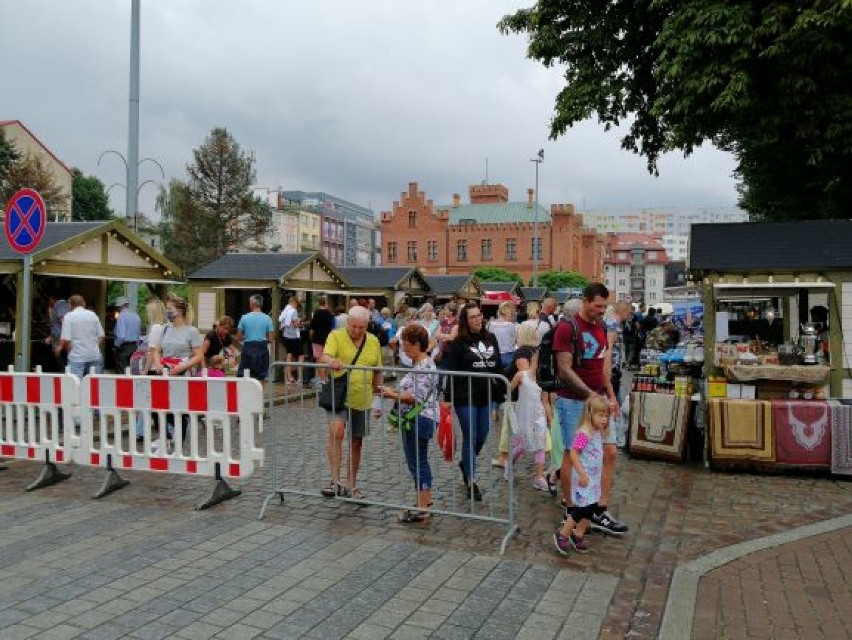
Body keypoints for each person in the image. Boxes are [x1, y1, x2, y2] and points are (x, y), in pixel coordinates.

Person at [552, 282, 627, 536]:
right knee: (573, 453)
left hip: (600, 400)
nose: (601, 310)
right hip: (573, 401)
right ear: (585, 301)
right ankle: (571, 507)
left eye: (604, 306)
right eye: (597, 306)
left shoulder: (602, 326)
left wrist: (610, 395)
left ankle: (599, 508)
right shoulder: (567, 327)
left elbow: (603, 366)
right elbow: (564, 369)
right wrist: (590, 396)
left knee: (610, 452)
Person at [318, 305, 383, 500]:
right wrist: (331, 361)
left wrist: (378, 398)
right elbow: (324, 356)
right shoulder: (336, 335)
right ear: (348, 322)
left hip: (362, 397)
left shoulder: (373, 341)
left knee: (356, 442)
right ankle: (335, 480)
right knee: (337, 431)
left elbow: (377, 370)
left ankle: (351, 484)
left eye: (361, 328)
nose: (356, 331)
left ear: (367, 326)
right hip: (339, 395)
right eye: (353, 326)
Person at [444, 303, 505, 501]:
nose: (478, 319)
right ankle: (471, 479)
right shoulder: (458, 342)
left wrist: (505, 389)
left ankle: (466, 462)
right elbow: (452, 371)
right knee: (470, 435)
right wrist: (447, 399)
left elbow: (498, 367)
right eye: (473, 317)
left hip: (485, 394)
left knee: (483, 435)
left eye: (479, 316)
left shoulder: (491, 338)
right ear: (465, 321)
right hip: (465, 395)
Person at [379, 324, 439, 523]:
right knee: (419, 461)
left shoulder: (424, 366)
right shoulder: (423, 364)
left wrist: (389, 394)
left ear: (416, 345)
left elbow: (413, 397)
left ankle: (423, 508)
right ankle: (424, 503)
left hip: (419, 419)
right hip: (423, 418)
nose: (403, 349)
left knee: (418, 463)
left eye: (406, 344)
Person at [553, 395, 611, 555]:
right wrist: (581, 473)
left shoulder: (596, 430)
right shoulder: (584, 433)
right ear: (590, 414)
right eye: (600, 415)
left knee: (592, 506)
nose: (604, 419)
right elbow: (573, 453)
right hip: (583, 478)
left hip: (593, 478)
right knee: (582, 508)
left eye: (606, 415)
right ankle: (563, 533)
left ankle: (578, 533)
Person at [150, 295, 204, 446]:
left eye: (169, 309)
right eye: (167, 309)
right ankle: (166, 436)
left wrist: (182, 367)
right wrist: (158, 363)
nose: (167, 312)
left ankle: (178, 439)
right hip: (165, 373)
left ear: (180, 311)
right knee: (156, 407)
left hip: (182, 374)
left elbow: (199, 355)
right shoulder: (165, 329)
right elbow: (157, 351)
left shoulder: (191, 331)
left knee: (178, 408)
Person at [506, 324, 550, 491]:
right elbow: (509, 390)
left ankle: (538, 477)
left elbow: (545, 401)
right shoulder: (521, 375)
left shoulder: (543, 380)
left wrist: (549, 418)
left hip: (538, 416)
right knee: (522, 445)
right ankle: (509, 464)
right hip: (523, 414)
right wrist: (508, 408)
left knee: (540, 445)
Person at [57, 294, 105, 378]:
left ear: (70, 305)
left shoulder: (68, 317)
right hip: (94, 355)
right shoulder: (93, 315)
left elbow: (67, 340)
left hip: (76, 357)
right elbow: (101, 336)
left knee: (75, 385)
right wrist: (94, 347)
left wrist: (70, 353)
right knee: (93, 386)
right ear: (84, 303)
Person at [236, 294, 275, 383]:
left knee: (245, 374)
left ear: (252, 304)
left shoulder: (244, 317)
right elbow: (271, 338)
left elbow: (238, 337)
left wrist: (246, 336)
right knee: (261, 376)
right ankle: (260, 395)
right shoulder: (267, 318)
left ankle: (246, 395)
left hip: (248, 348)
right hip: (262, 348)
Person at [605, 302, 633, 401]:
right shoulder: (613, 324)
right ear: (623, 311)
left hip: (614, 366)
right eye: (629, 313)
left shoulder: (615, 323)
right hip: (612, 367)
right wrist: (609, 370)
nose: (629, 316)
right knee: (614, 399)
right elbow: (609, 347)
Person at [310, 296, 336, 384]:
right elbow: (333, 327)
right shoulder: (330, 314)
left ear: (318, 303)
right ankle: (328, 378)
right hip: (328, 338)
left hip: (317, 338)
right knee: (327, 358)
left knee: (318, 359)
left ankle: (321, 378)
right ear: (326, 303)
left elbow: (312, 326)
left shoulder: (316, 313)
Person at [112, 296, 141, 374]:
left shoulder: (121, 316)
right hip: (134, 347)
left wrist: (116, 346)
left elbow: (121, 336)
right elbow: (138, 334)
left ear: (119, 306)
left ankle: (122, 386)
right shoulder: (136, 315)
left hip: (124, 347)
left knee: (122, 372)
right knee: (131, 371)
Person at [278, 296, 303, 385]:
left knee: (289, 357)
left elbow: (280, 327)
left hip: (286, 336)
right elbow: (296, 324)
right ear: (294, 303)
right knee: (301, 356)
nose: (297, 306)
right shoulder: (293, 310)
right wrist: (300, 322)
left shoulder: (285, 311)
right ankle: (300, 378)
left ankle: (289, 378)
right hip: (294, 337)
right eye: (297, 304)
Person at [487, 301, 518, 368]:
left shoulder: (489, 324)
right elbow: (515, 341)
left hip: (492, 356)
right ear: (509, 313)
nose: (513, 316)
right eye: (512, 314)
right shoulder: (512, 326)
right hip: (508, 356)